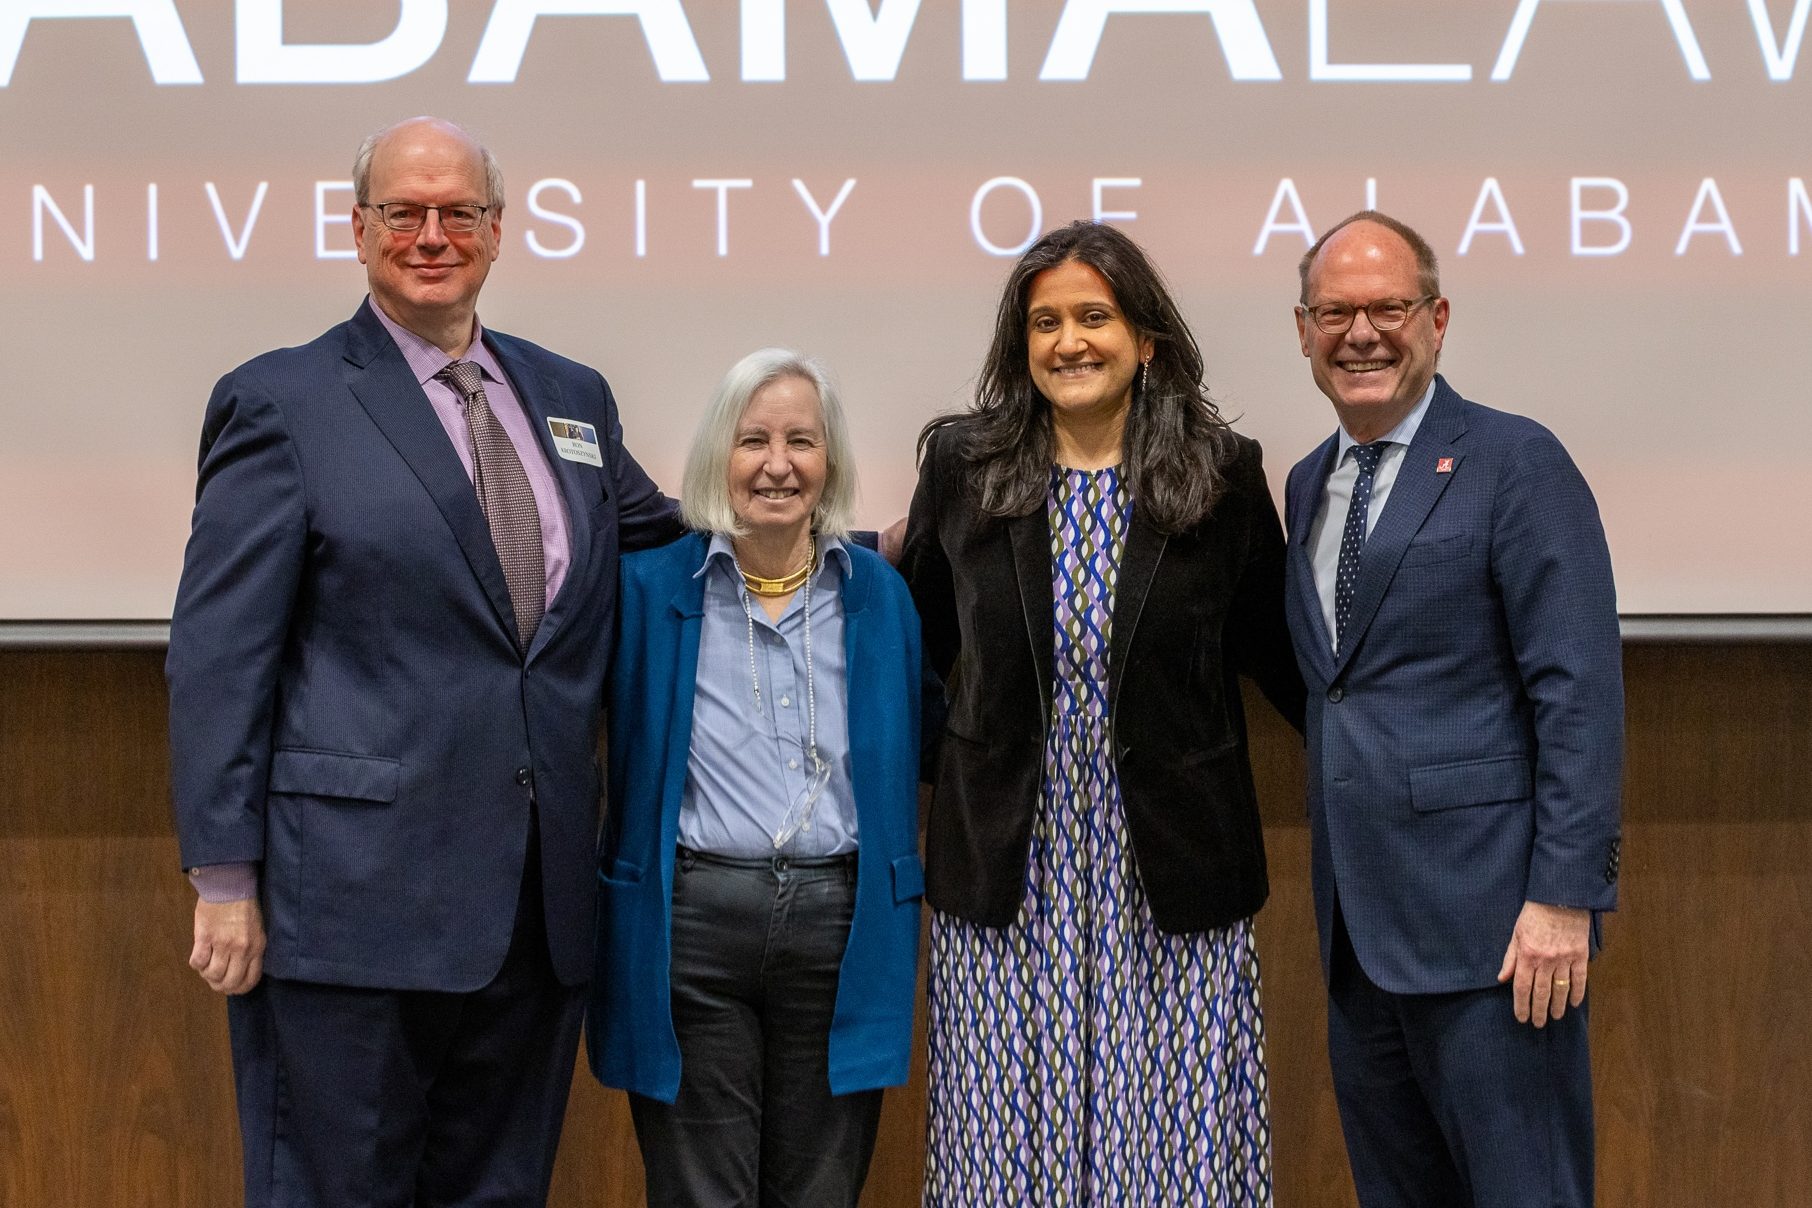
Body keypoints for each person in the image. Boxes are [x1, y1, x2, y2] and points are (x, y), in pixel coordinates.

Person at [166, 116, 684, 1206]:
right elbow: (219, 657)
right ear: (359, 229)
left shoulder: (571, 397)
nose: (432, 234)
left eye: (459, 212)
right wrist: (223, 876)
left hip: (534, 912)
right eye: (405, 211)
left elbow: (679, 536)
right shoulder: (283, 401)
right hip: (345, 909)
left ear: (498, 231)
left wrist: (852, 539)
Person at [901, 220, 1305, 1205]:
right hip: (1007, 879)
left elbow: (1281, 658)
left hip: (1170, 880)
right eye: (1045, 322)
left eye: (1094, 316)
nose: (1069, 341)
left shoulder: (1222, 474)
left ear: (1146, 340)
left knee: (1171, 1158)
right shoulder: (964, 465)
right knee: (1003, 1159)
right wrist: (955, 784)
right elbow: (914, 652)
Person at [1283, 211, 1624, 1208]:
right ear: (1301, 330)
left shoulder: (1516, 462)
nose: (1362, 332)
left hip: (1501, 938)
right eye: (1335, 311)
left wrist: (1571, 895)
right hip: (1361, 935)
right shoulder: (1309, 482)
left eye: (1387, 307)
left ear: (1435, 318)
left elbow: (1582, 690)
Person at [587, 348, 923, 1207]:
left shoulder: (879, 594)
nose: (778, 464)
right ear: (715, 461)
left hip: (841, 929)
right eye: (753, 441)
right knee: (703, 1194)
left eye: (802, 442)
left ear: (831, 463)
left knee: (820, 1193)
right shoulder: (647, 589)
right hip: (690, 928)